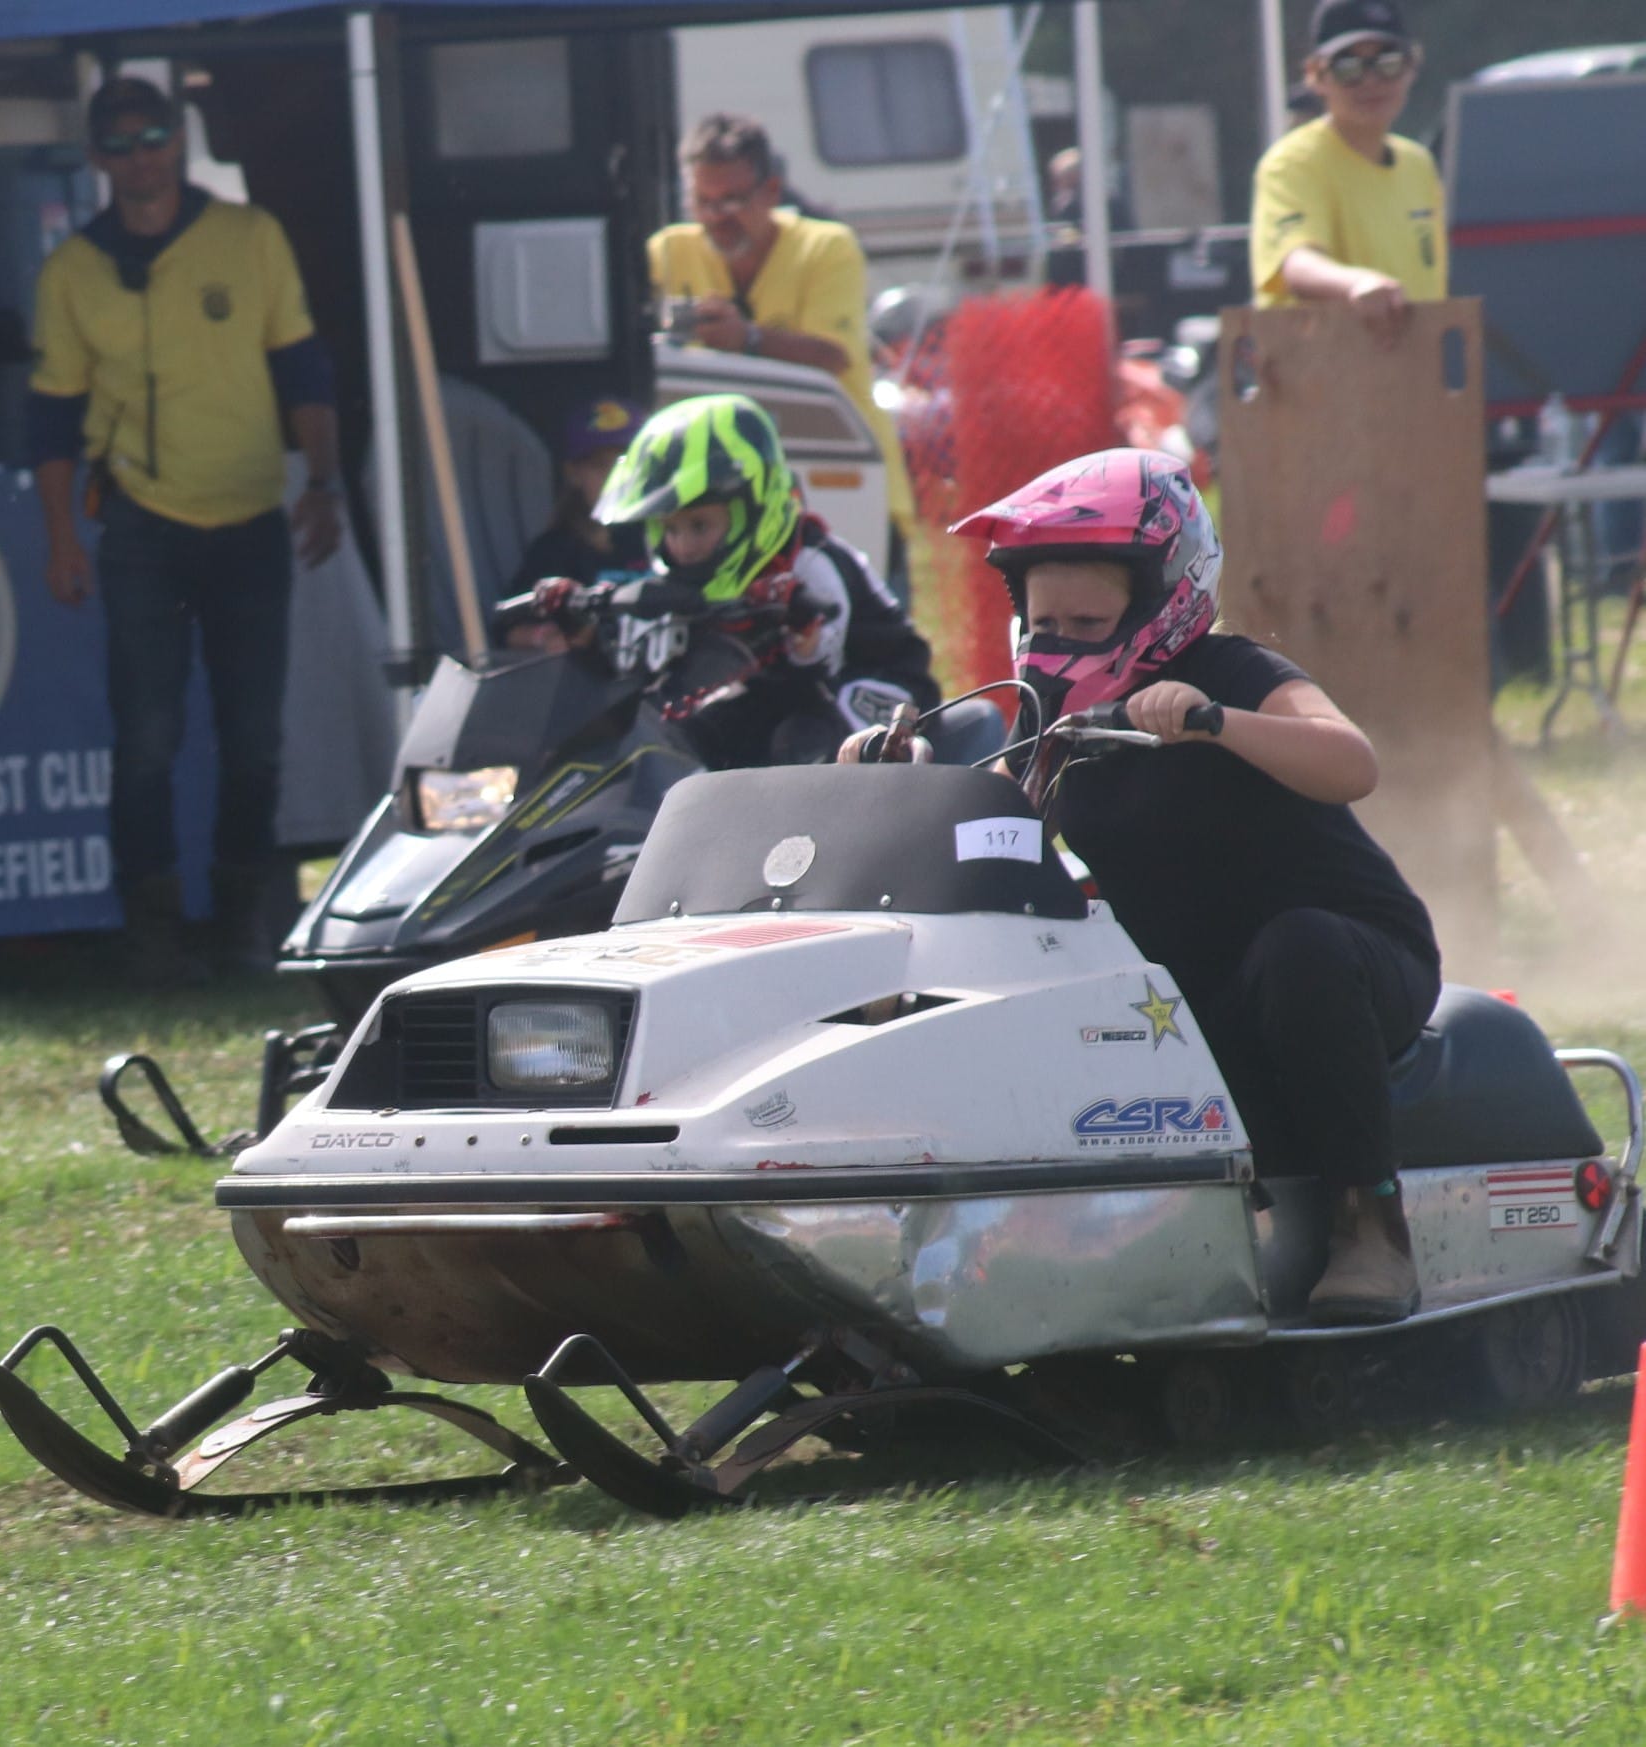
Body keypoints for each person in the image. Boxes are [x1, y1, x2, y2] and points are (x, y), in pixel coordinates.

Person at [854, 448, 1440, 1324]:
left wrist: (1212, 723)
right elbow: (998, 843)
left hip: (1350, 962)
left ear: (1164, 598)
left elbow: (1351, 763)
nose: (1056, 642)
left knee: (1297, 945)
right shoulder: (1047, 716)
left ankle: (1371, 1226)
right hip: (1192, 989)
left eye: (1086, 622)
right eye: (1041, 620)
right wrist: (901, 777)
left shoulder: (1231, 671)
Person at [29, 76, 341, 982]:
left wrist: (322, 482)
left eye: (155, 136)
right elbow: (51, 420)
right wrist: (58, 540)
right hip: (140, 524)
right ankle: (154, 935)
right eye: (121, 143)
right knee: (147, 740)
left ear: (179, 141)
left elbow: (306, 370)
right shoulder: (72, 271)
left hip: (249, 518)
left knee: (253, 739)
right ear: (97, 159)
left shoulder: (248, 237)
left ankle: (245, 923)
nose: (141, 157)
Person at [532, 392, 941, 769]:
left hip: (873, 689)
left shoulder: (812, 563)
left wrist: (797, 624)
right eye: (670, 529)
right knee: (681, 740)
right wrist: (581, 627)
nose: (683, 545)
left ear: (752, 507)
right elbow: (649, 663)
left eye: (698, 525)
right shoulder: (684, 575)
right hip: (772, 696)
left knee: (803, 745)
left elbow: (817, 665)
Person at [646, 113, 916, 600]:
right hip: (723, 499)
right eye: (702, 202)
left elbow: (835, 355)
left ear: (771, 190)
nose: (715, 218)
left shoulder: (825, 246)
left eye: (730, 200)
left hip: (843, 483)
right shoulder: (666, 252)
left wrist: (746, 339)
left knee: (865, 635)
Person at [1250, 0, 1445, 346]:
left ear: (1413, 66)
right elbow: (1295, 263)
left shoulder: (1419, 166)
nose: (1370, 82)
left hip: (1409, 378)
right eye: (1348, 67)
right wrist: (1355, 285)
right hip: (1321, 383)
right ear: (1315, 75)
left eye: (1388, 63)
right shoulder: (1293, 163)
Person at [507, 395, 648, 599]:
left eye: (627, 463)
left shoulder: (670, 536)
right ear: (573, 473)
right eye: (599, 465)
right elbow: (516, 626)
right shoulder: (554, 551)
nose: (615, 477)